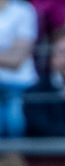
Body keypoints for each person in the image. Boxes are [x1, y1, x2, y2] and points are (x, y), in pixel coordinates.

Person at [0, 0, 37, 137]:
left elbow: (17, 60)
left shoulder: (24, 11)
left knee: (15, 123)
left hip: (19, 85)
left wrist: (12, 56)